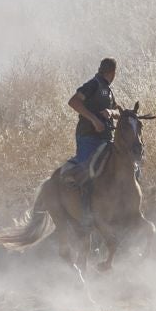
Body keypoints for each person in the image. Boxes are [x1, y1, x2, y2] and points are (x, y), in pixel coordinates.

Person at [64, 58, 119, 208]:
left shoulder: (108, 91)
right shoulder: (93, 84)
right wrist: (94, 120)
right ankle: (85, 211)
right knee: (87, 171)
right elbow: (73, 102)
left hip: (106, 139)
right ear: (113, 73)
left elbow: (118, 111)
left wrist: (110, 111)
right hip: (88, 136)